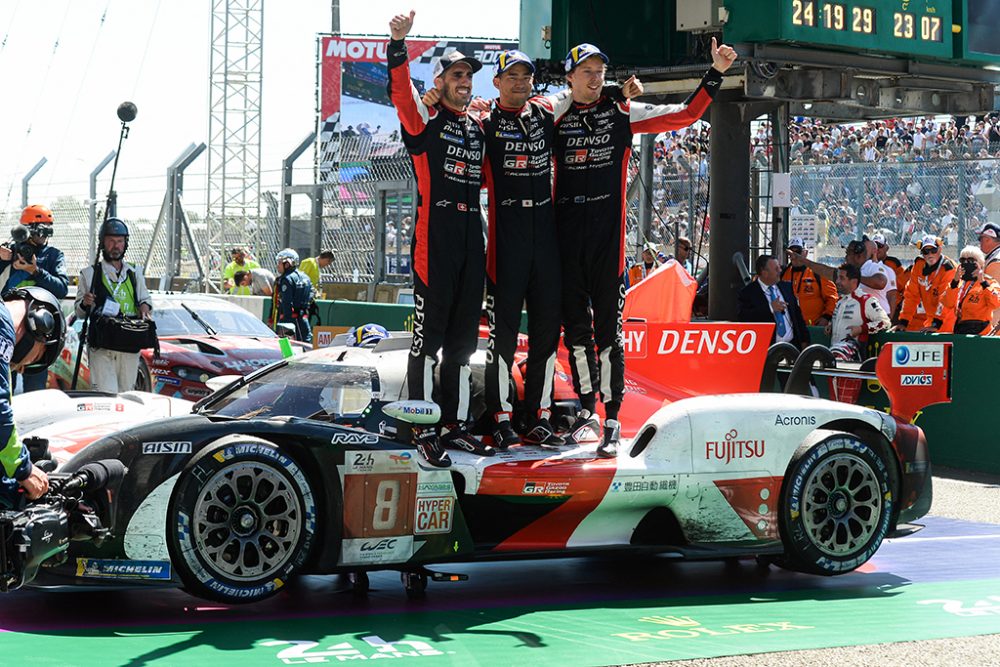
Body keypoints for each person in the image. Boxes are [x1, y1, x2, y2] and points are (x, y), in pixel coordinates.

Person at [554, 38, 737, 458]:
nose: (596, 76)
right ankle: (586, 412)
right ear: (570, 76)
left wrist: (716, 73)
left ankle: (613, 420)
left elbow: (685, 115)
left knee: (609, 337)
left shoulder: (621, 110)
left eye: (601, 69)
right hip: (564, 241)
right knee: (577, 334)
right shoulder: (555, 113)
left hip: (608, 245)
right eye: (587, 70)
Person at [387, 10, 492, 466]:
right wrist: (397, 44)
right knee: (426, 342)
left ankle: (455, 424)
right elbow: (400, 95)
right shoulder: (424, 120)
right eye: (456, 74)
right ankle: (420, 425)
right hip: (436, 233)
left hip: (474, 234)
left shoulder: (477, 126)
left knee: (464, 345)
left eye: (468, 74)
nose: (465, 80)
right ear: (440, 80)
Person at [0, 287, 66, 508]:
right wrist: (24, 468)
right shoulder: (2, 327)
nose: (20, 368)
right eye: (37, 356)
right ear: (39, 323)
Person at [75, 218, 153, 394]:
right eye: (111, 241)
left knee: (127, 394)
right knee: (106, 394)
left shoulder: (135, 272)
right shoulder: (89, 274)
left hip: (128, 343)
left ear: (125, 243)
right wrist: (85, 303)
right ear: (103, 242)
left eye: (119, 241)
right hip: (102, 344)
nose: (115, 246)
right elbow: (79, 313)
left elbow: (145, 300)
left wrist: (145, 308)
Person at [0, 204, 69, 392]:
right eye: (39, 232)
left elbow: (62, 288)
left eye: (47, 232)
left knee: (36, 390)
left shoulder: (53, 256)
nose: (43, 238)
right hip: (11, 328)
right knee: (5, 386)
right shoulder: (9, 252)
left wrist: (35, 271)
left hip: (40, 331)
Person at [787, 238, 891, 314]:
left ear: (858, 256)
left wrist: (854, 278)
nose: (845, 257)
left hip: (877, 322)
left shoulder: (872, 267)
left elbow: (880, 282)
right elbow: (826, 271)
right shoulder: (848, 271)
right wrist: (803, 260)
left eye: (848, 253)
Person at [738, 255, 810, 349]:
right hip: (766, 349)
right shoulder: (748, 293)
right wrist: (770, 308)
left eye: (779, 267)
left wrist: (805, 341)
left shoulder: (787, 287)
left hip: (792, 347)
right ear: (764, 273)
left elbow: (797, 316)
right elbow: (744, 318)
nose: (780, 271)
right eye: (776, 269)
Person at [896, 235, 955, 333]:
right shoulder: (919, 265)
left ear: (940, 249)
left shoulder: (948, 269)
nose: (930, 254)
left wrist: (936, 324)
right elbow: (911, 295)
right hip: (931, 320)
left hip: (947, 321)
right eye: (925, 251)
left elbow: (945, 299)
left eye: (933, 250)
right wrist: (903, 321)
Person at [938, 245, 1000, 335]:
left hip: (981, 332)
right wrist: (954, 282)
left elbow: (996, 303)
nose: (966, 263)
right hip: (960, 330)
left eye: (971, 261)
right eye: (963, 260)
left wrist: (982, 282)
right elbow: (947, 303)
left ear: (980, 263)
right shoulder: (959, 283)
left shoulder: (989, 282)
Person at [780, 237, 837, 326]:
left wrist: (826, 317)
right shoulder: (783, 274)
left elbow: (832, 298)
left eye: (797, 252)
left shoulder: (817, 272)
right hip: (790, 327)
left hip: (813, 326)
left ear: (805, 253)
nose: (794, 256)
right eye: (791, 252)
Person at [273, 249, 314, 343]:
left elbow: (287, 302)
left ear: (287, 264)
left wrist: (286, 320)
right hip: (303, 318)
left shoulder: (287, 279)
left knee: (284, 345)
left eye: (279, 263)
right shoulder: (305, 277)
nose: (277, 265)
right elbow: (311, 295)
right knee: (305, 343)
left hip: (290, 320)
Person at [873, 232, 906, 318]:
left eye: (879, 246)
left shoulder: (894, 263)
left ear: (886, 248)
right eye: (874, 246)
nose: (877, 249)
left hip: (892, 306)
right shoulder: (866, 264)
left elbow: (902, 285)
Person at [976, 223, 1000, 327]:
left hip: (996, 317)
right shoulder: (994, 256)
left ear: (987, 239)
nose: (979, 243)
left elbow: (994, 294)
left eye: (980, 239)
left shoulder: (995, 261)